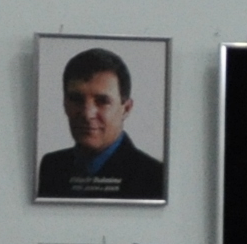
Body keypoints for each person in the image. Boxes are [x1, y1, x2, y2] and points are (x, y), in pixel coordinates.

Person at [32, 47, 162, 199]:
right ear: (65, 104)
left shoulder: (154, 177)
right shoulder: (52, 167)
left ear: (126, 109)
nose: (87, 114)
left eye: (102, 101)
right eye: (77, 99)